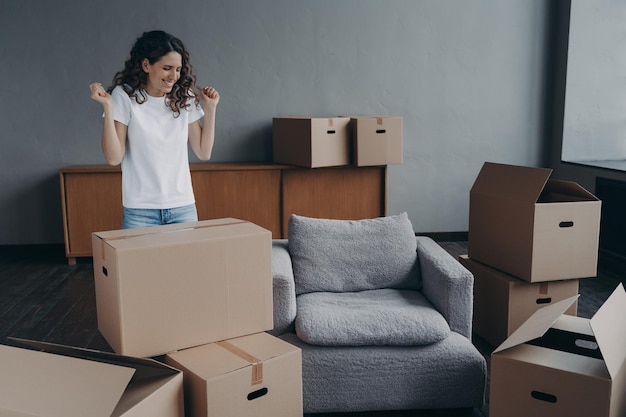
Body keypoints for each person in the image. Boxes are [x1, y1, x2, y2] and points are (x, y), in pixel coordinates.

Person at [89, 30, 220, 229]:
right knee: (138, 262)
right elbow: (114, 158)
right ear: (146, 65)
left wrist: (210, 110)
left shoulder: (184, 95)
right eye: (167, 68)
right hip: (140, 210)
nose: (174, 76)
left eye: (177, 69)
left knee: (186, 262)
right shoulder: (124, 95)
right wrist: (108, 107)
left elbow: (203, 152)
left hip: (182, 206)